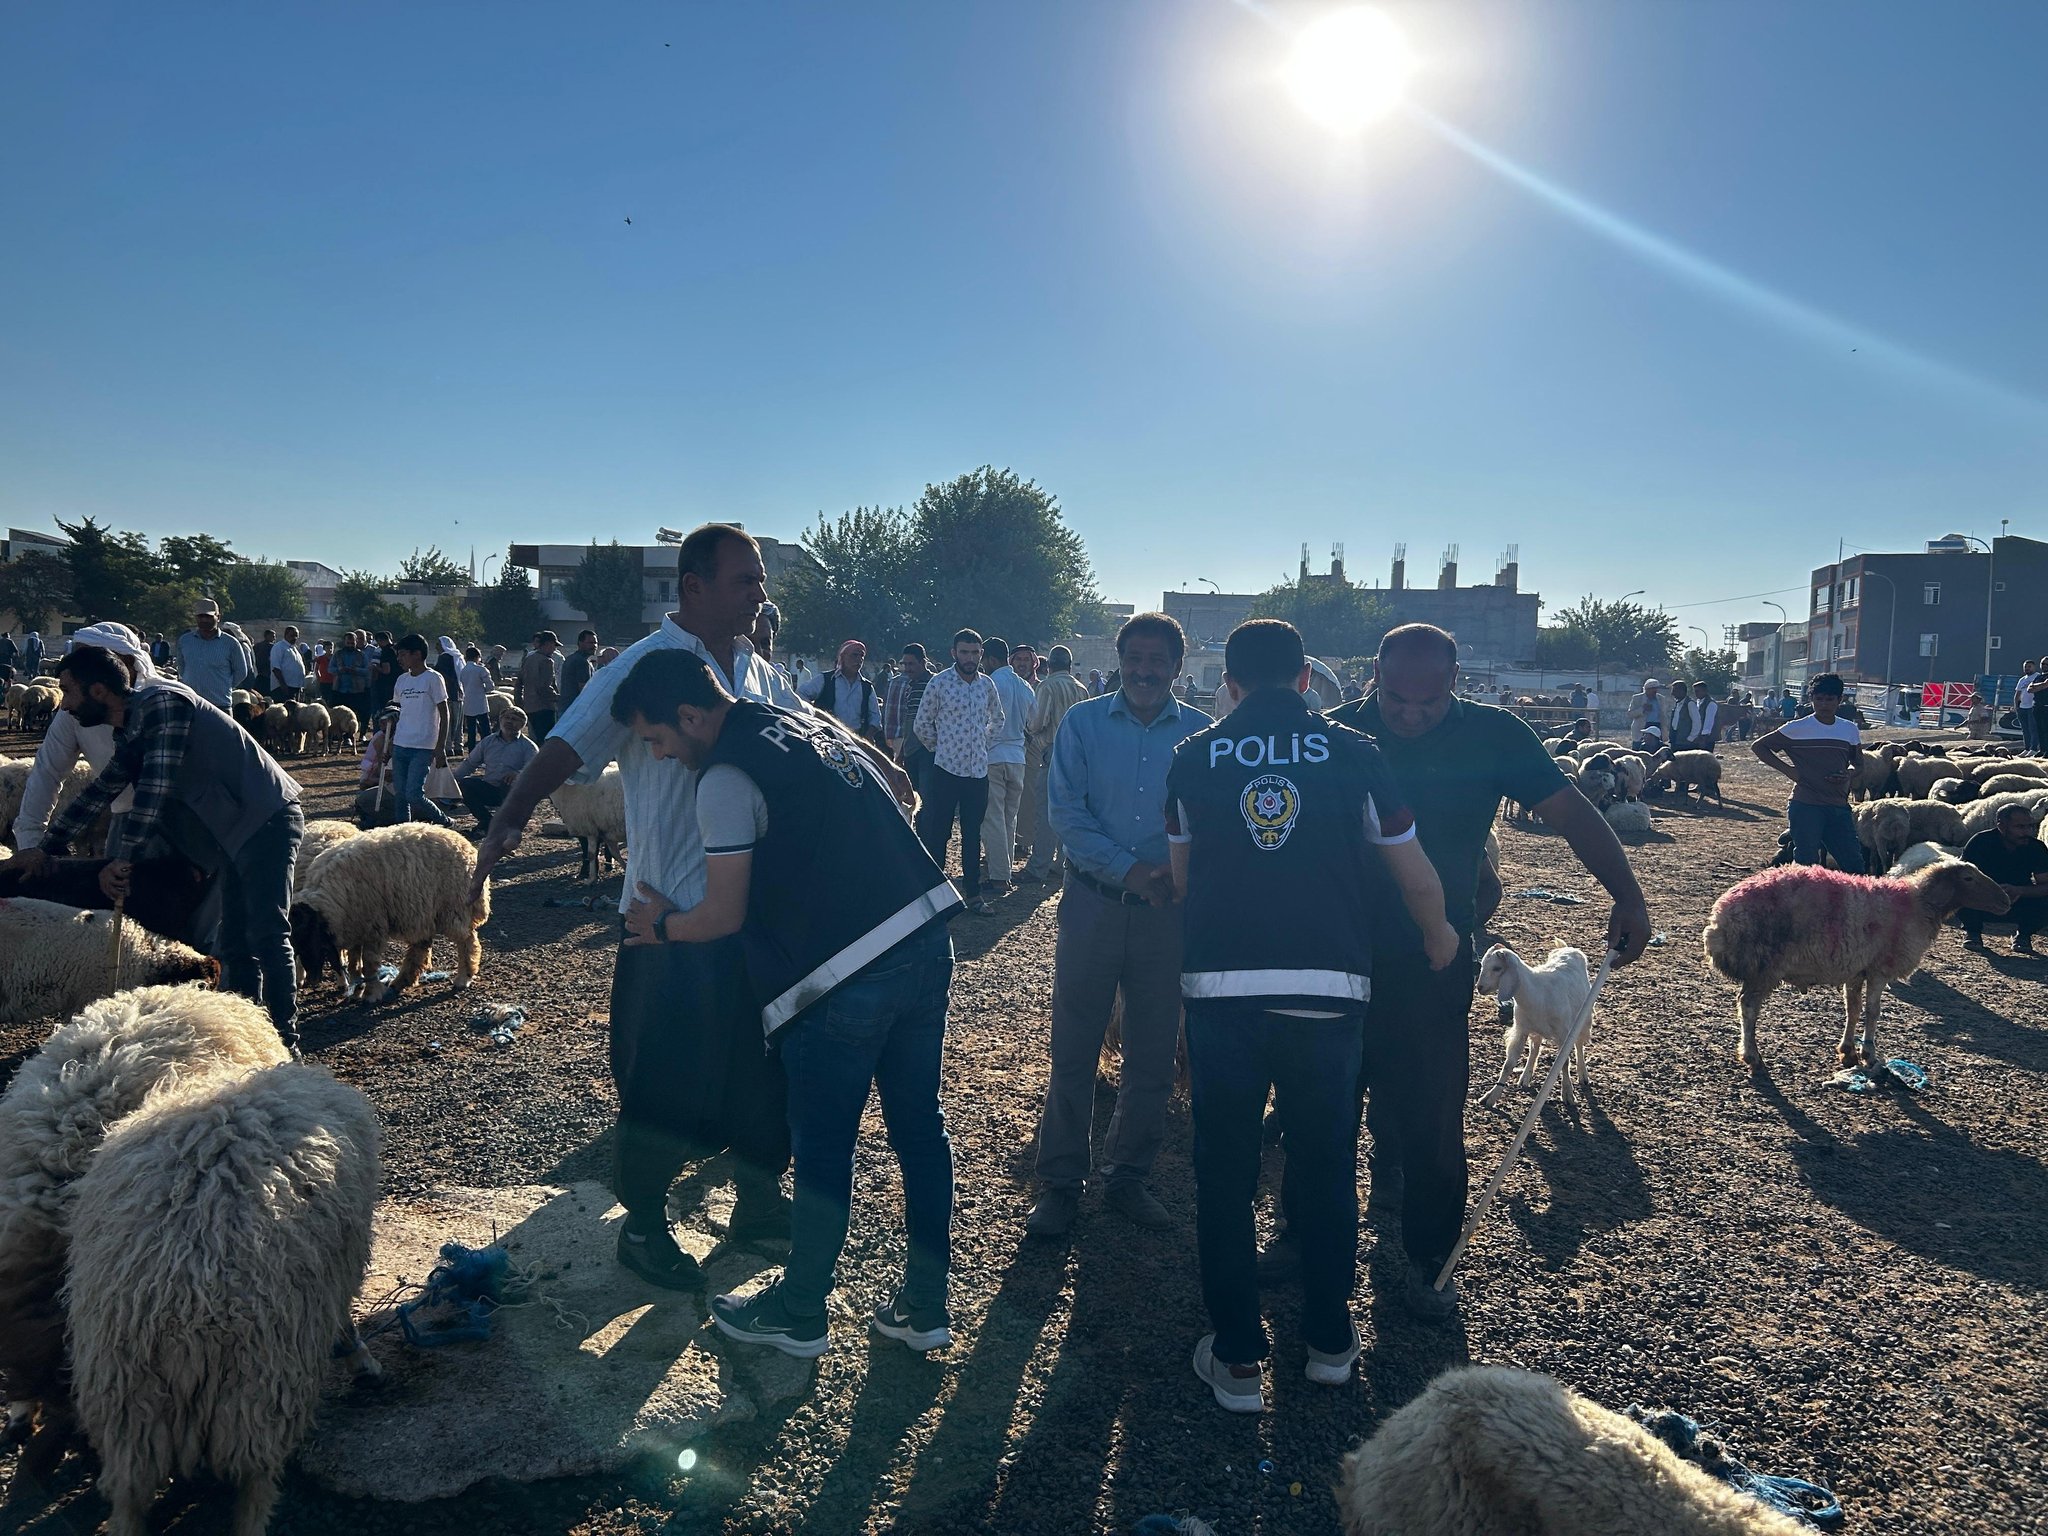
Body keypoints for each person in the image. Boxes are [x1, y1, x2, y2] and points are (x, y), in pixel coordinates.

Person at [1254, 625, 1650, 1323]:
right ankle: (1302, 1235)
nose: (1407, 715)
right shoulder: (1334, 733)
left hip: (1432, 958)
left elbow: (1571, 813)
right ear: (1373, 673)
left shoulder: (1496, 735)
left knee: (1432, 1116)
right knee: (1319, 1109)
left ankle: (1427, 1256)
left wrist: (1627, 893)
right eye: (1394, 698)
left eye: (1426, 702)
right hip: (1335, 955)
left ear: (1455, 680)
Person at [472, 525, 814, 1291]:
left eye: (759, 579)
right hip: (667, 925)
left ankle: (758, 1201)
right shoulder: (642, 668)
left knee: (764, 1074)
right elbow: (567, 745)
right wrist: (511, 817)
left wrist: (883, 765)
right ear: (692, 587)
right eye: (744, 579)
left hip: (751, 921)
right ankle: (647, 1228)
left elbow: (813, 732)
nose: (760, 592)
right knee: (664, 1083)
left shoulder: (756, 669)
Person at [608, 650, 963, 1358]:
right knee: (920, 1131)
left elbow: (724, 914)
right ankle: (926, 1305)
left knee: (825, 1146)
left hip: (844, 974)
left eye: (658, 740)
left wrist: (661, 927)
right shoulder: (801, 724)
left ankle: (800, 1310)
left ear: (688, 715)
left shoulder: (726, 776)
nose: (662, 756)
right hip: (926, 940)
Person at [1165, 620, 1459, 1412]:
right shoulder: (1357, 755)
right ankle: (1329, 1343)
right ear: (1304, 680)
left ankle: (1235, 1360)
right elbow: (1415, 873)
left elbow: (1184, 878)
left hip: (1223, 992)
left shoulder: (1192, 758)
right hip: (1329, 993)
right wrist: (1440, 938)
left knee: (1223, 1176)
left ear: (1226, 685)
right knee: (1326, 1165)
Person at [1025, 614, 1211, 1238]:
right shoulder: (1082, 723)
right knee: (1074, 1045)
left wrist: (1171, 877)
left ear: (1177, 667)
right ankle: (1061, 1180)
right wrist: (1133, 871)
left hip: (1167, 915)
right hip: (1095, 905)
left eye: (1157, 660)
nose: (1144, 670)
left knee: (1153, 1053)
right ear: (1119, 660)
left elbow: (1211, 825)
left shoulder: (1204, 737)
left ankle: (1128, 1174)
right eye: (1134, 657)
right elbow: (1067, 816)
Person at [18, 643, 304, 1044]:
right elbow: (102, 789)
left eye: (68, 691)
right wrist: (45, 848)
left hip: (264, 820)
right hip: (229, 831)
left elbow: (154, 788)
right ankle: (254, 1038)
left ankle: (286, 1043)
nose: (63, 704)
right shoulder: (130, 727)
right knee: (235, 940)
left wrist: (122, 860)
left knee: (267, 932)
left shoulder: (164, 704)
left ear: (98, 691)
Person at [12, 623, 153, 856]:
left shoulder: (160, 705)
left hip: (188, 818)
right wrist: (31, 842)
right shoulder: (74, 710)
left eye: (89, 661)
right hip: (122, 814)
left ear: (123, 663)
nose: (77, 671)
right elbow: (47, 771)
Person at [912, 629, 1006, 915]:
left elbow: (998, 719)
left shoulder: (986, 685)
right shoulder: (940, 683)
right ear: (954, 653)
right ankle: (937, 895)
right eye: (964, 652)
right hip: (946, 769)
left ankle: (974, 894)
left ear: (981, 655)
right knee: (938, 831)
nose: (970, 658)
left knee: (972, 832)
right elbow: (921, 723)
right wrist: (940, 749)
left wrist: (982, 743)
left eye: (975, 653)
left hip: (977, 772)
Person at [1752, 673, 1863, 872]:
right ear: (1811, 699)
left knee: (1854, 865)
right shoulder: (1797, 728)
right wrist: (1789, 771)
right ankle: (1803, 903)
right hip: (1806, 805)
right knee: (1806, 863)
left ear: (1839, 700)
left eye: (1830, 699)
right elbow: (1759, 746)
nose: (1824, 704)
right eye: (1819, 699)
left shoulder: (1848, 730)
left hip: (1838, 806)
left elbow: (1859, 765)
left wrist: (1849, 774)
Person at [1019, 644, 1090, 886]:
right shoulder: (1081, 689)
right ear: (1070, 665)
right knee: (1069, 812)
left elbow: (1039, 722)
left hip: (1051, 752)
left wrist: (1029, 729)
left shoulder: (1047, 686)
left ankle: (1038, 866)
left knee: (1045, 812)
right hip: (1078, 757)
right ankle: (1061, 864)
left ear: (1048, 665)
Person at [979, 639, 1036, 897]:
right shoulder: (1025, 687)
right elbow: (1032, 723)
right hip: (1017, 757)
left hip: (993, 755)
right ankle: (1004, 871)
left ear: (990, 659)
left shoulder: (990, 683)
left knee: (993, 818)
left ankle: (999, 876)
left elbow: (982, 720)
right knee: (1009, 818)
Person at [1960, 804, 2048, 954]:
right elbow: (1962, 877)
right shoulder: (1980, 842)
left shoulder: (2036, 848)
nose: (2027, 832)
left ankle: (2024, 935)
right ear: (2001, 826)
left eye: (2029, 826)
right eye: (2020, 827)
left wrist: (2019, 891)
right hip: (1983, 898)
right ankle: (1973, 932)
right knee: (1959, 893)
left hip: (2019, 899)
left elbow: (2045, 884)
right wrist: (1993, 891)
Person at [389, 634, 452, 825]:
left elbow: (445, 713)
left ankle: (445, 821)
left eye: (402, 654)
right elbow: (399, 711)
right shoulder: (401, 680)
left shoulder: (433, 678)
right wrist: (391, 740)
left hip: (423, 745)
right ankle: (403, 830)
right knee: (400, 794)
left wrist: (440, 746)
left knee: (414, 794)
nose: (399, 659)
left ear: (417, 654)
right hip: (401, 743)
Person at [452, 705, 537, 838]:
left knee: (509, 783)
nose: (509, 721)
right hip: (490, 786)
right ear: (500, 720)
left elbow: (534, 770)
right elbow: (470, 763)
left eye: (514, 719)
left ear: (522, 724)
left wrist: (518, 774)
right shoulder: (488, 741)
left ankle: (506, 826)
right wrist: (453, 779)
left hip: (514, 792)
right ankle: (486, 821)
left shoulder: (528, 747)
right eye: (506, 718)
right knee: (465, 784)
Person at [175, 599, 250, 710]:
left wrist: (224, 686)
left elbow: (241, 672)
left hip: (220, 705)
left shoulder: (230, 643)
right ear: (196, 617)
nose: (204, 620)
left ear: (218, 617)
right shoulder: (185, 641)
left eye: (209, 617)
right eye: (201, 616)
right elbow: (182, 668)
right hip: (191, 704)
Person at [804, 640, 883, 743]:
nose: (859, 660)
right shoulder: (825, 679)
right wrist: (812, 716)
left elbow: (875, 716)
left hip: (857, 739)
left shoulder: (866, 687)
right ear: (843, 657)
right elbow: (802, 694)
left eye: (861, 656)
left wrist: (868, 735)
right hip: (827, 737)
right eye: (854, 655)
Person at [884, 643, 936, 788]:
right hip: (910, 751)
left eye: (911, 664)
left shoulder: (935, 684)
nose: (907, 669)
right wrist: (900, 754)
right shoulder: (911, 685)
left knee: (926, 796)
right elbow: (909, 720)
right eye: (905, 664)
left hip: (928, 751)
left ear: (923, 662)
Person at [517, 630, 563, 740]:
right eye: (554, 646)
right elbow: (545, 687)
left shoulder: (529, 659)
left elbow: (519, 682)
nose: (554, 649)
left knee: (535, 738)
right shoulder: (547, 661)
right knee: (547, 739)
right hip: (544, 707)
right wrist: (558, 698)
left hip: (529, 706)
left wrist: (519, 701)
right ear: (547, 644)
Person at [457, 645, 494, 748]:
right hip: (480, 703)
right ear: (477, 657)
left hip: (468, 703)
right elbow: (491, 687)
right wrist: (483, 690)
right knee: (486, 729)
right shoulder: (481, 670)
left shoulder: (463, 671)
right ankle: (488, 749)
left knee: (471, 731)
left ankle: (472, 753)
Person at [1669, 680, 1721, 752]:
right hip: (1692, 739)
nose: (1695, 694)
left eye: (1697, 691)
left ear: (1704, 691)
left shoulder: (1710, 704)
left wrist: (1696, 738)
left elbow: (1707, 723)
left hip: (1706, 739)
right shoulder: (1698, 702)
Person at [434, 637, 464, 748]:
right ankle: (458, 746)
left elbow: (439, 673)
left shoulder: (443, 658)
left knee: (447, 721)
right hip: (459, 694)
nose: (436, 647)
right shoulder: (458, 657)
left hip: (447, 694)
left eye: (438, 644)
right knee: (458, 723)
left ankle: (447, 746)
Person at [331, 630, 370, 711]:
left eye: (352, 643)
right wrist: (339, 670)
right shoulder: (338, 654)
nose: (350, 645)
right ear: (344, 642)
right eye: (348, 643)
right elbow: (330, 669)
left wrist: (356, 670)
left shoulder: (362, 655)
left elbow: (367, 671)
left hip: (356, 691)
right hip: (339, 689)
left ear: (356, 642)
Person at [562, 629, 599, 713]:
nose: (594, 646)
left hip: (566, 708)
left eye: (595, 643)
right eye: (590, 643)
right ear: (580, 643)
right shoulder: (582, 662)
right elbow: (585, 689)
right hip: (575, 710)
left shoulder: (570, 658)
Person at [1626, 678, 1668, 749]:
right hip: (1642, 727)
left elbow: (1663, 714)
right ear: (1647, 689)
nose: (1655, 691)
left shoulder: (1661, 699)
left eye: (1656, 688)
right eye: (1652, 689)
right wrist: (1643, 709)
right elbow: (1630, 714)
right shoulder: (1637, 698)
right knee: (1638, 748)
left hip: (1657, 726)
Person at [2016, 661, 2041, 754]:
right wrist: (2016, 706)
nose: (2027, 668)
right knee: (2025, 729)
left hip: (2032, 707)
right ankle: (2026, 748)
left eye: (2029, 667)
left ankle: (2033, 749)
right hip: (2022, 707)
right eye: (2025, 667)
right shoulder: (2022, 680)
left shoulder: (2038, 677)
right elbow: (2017, 693)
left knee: (2033, 729)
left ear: (2034, 667)